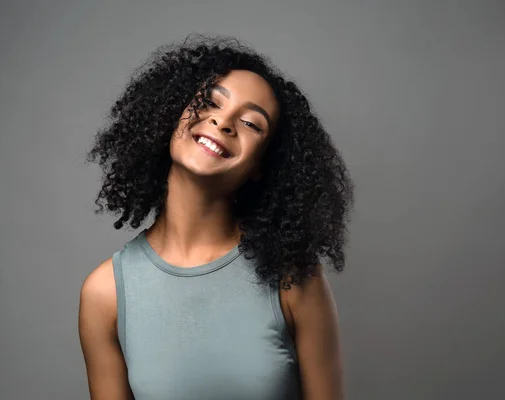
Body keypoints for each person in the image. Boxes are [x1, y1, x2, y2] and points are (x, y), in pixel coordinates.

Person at [79, 34, 354, 400]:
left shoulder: (291, 276)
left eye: (252, 124)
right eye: (210, 102)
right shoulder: (105, 293)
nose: (223, 122)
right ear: (170, 115)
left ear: (262, 165)